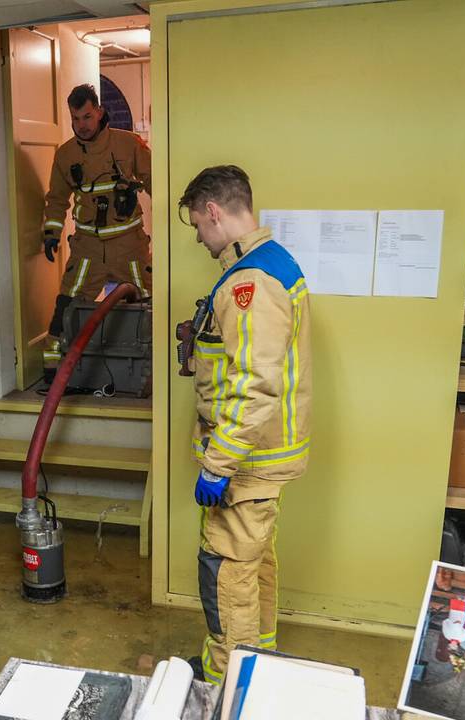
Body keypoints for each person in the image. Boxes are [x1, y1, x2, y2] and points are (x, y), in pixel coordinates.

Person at [178, 165, 311, 685]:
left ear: (215, 211)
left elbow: (254, 385)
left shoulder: (250, 281)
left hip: (247, 463)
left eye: (197, 225)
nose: (199, 239)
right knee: (254, 567)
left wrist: (217, 464)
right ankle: (259, 668)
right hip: (267, 457)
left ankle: (223, 684)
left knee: (226, 573)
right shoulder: (271, 263)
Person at [39, 83, 151, 373]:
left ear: (99, 112)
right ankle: (54, 367)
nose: (81, 125)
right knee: (67, 304)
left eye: (87, 117)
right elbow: (56, 197)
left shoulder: (129, 144)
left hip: (129, 245)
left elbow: (157, 181)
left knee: (148, 303)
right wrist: (51, 233)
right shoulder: (65, 155)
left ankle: (150, 366)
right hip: (88, 247)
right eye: (75, 119)